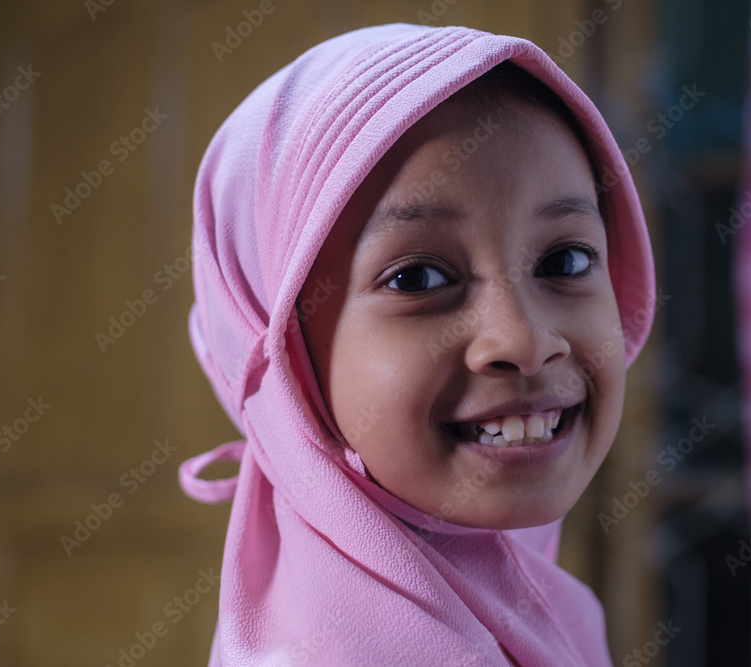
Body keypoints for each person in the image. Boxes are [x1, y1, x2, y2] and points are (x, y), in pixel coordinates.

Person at [179, 23, 654, 666]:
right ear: (280, 345)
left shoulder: (530, 610)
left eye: (565, 260)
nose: (523, 339)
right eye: (418, 278)